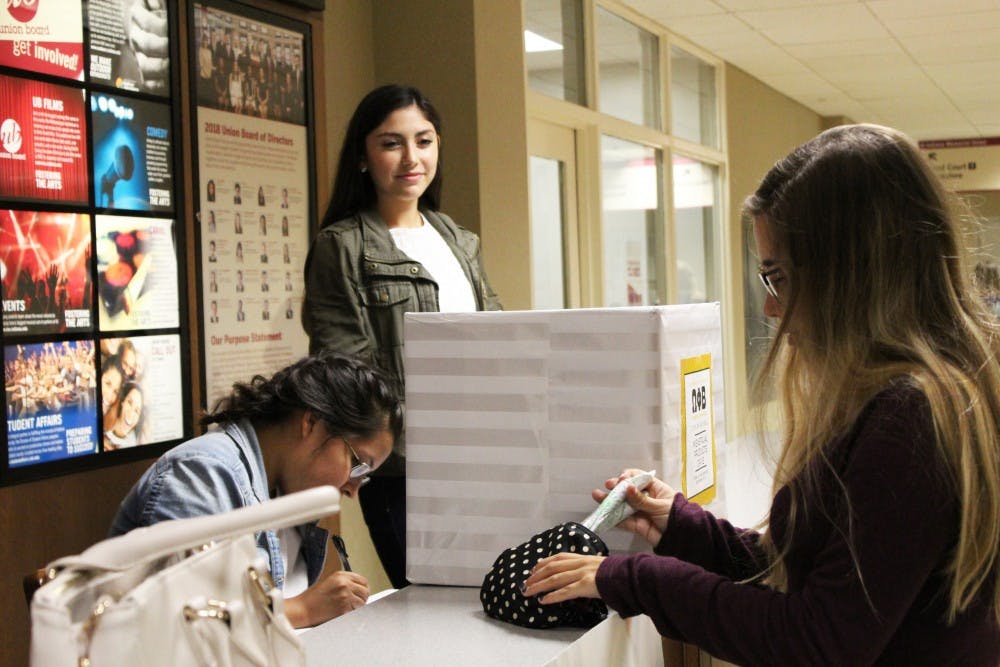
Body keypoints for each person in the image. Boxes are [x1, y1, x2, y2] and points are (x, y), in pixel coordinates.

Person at [523, 124, 1000, 665]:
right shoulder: (916, 399)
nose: (771, 308)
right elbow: (813, 571)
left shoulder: (910, 418)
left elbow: (817, 641)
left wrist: (637, 578)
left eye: (778, 278)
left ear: (848, 274)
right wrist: (684, 527)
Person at [303, 84, 503, 588]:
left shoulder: (458, 240)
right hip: (405, 469)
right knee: (431, 599)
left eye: (424, 141)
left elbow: (499, 340)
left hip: (483, 456)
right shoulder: (341, 246)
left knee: (489, 596)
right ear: (363, 157)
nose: (412, 158)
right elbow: (345, 372)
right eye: (392, 143)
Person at [110, 353, 403, 628]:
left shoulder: (290, 492)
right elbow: (186, 620)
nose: (353, 490)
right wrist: (304, 609)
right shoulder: (200, 474)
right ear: (312, 422)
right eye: (357, 464)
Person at [103, 382, 143, 450]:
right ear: (123, 402)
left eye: (137, 411)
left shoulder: (132, 443)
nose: (131, 414)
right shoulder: (107, 417)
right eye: (129, 402)